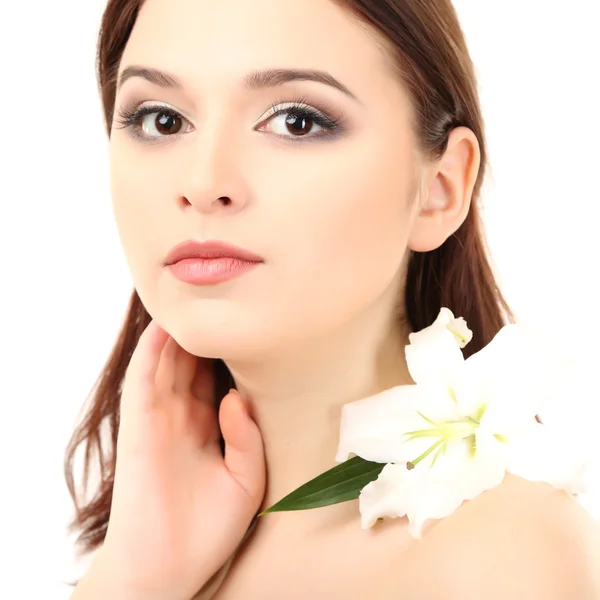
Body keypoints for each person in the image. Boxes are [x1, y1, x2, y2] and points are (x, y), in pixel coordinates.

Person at [65, 0, 600, 598]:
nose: (202, 182)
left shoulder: (506, 557)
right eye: (162, 119)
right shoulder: (150, 544)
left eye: (297, 121)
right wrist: (134, 577)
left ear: (441, 189)